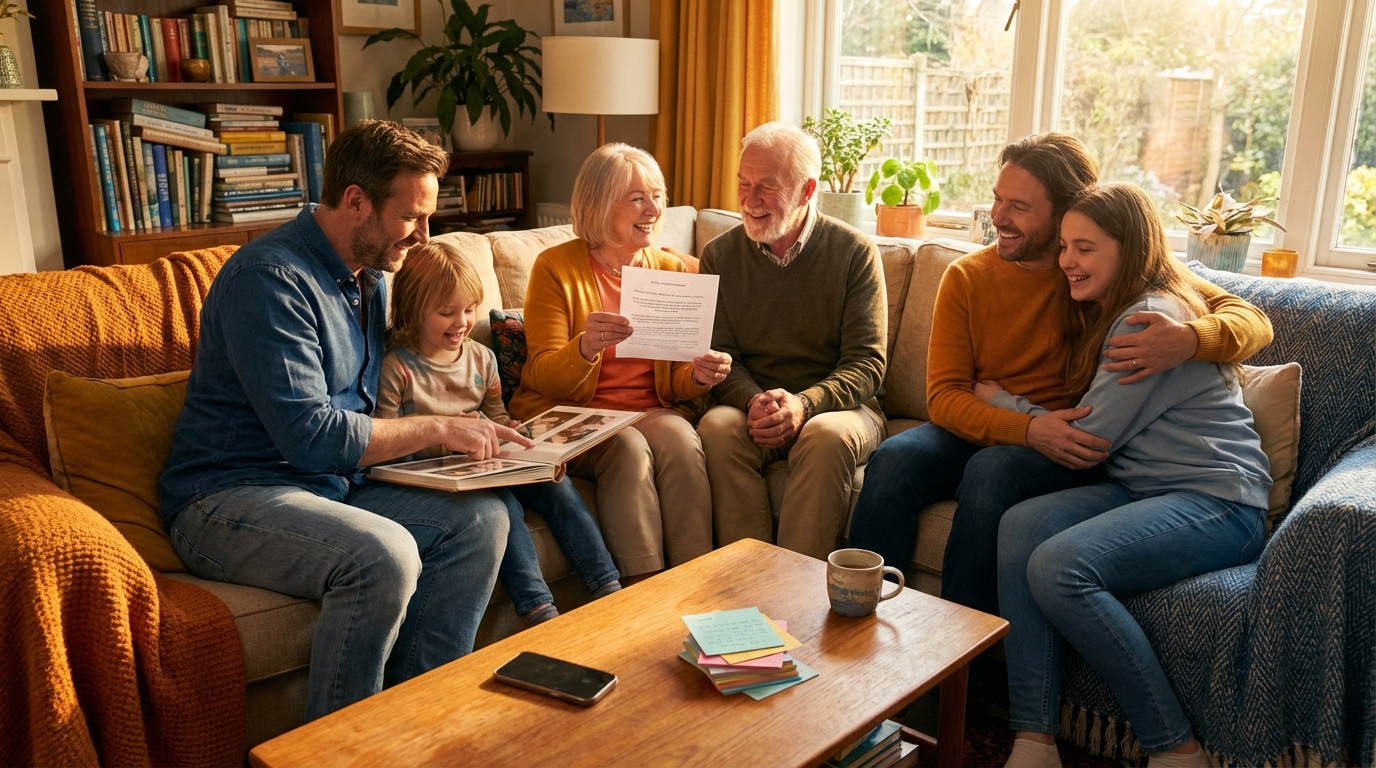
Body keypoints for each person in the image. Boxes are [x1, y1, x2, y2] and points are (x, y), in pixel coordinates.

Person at [159, 121, 533, 722]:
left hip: (334, 487)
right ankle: (339, 752)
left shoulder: (367, 277)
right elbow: (312, 437)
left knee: (481, 521)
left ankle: (419, 726)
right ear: (355, 200)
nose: (423, 235)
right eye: (412, 217)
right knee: (381, 556)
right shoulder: (270, 280)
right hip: (227, 498)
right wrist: (440, 428)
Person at [846, 133, 1272, 617]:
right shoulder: (967, 277)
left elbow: (1253, 320)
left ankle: (965, 669)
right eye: (996, 199)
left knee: (994, 471)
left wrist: (1189, 339)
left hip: (1074, 438)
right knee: (895, 459)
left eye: (1019, 206)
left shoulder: (1104, 266)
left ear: (1065, 209)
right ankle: (861, 627)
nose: (998, 217)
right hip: (1007, 424)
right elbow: (944, 397)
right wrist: (1027, 428)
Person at [987, 184, 1270, 768]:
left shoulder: (1147, 321)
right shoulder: (1128, 305)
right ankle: (1034, 738)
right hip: (1146, 488)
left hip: (1220, 500)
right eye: (1066, 246)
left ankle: (1176, 748)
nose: (1068, 261)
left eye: (1086, 248)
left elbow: (1087, 442)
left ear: (1131, 250)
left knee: (1059, 565)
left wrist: (1003, 404)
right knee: (1020, 526)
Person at [508, 143, 732, 580]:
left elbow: (678, 380)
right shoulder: (555, 267)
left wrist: (701, 375)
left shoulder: (673, 270)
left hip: (647, 412)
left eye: (657, 195)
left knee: (682, 437)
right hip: (571, 416)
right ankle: (640, 588)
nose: (653, 208)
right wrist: (585, 347)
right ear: (598, 203)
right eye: (636, 198)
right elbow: (541, 375)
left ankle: (696, 581)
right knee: (627, 448)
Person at [375, 241, 621, 626]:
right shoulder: (398, 369)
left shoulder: (481, 358)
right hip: (439, 480)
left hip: (488, 464)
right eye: (446, 312)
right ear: (411, 309)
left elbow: (498, 417)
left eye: (469, 310)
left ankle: (607, 585)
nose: (461, 322)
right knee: (502, 506)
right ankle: (539, 608)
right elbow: (387, 443)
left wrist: (525, 439)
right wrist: (449, 440)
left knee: (557, 485)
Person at [697, 121, 888, 560]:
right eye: (743, 184)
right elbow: (721, 355)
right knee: (716, 427)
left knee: (825, 437)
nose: (749, 200)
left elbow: (867, 365)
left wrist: (803, 404)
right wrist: (754, 402)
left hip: (838, 409)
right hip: (754, 405)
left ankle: (798, 602)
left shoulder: (854, 252)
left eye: (767, 186)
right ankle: (746, 585)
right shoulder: (719, 255)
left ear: (806, 191)